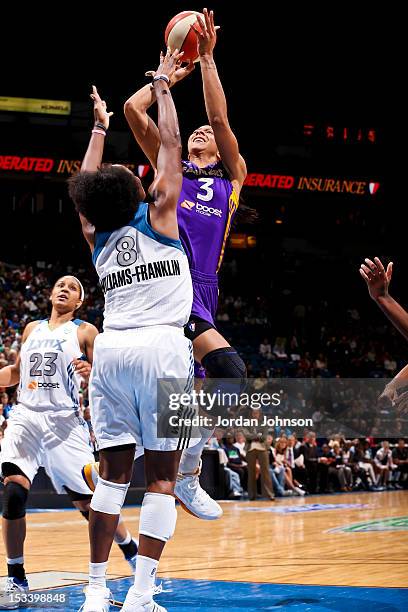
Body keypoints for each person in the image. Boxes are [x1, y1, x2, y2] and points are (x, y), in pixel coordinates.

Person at [69, 50, 195, 612]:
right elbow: (170, 146)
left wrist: (101, 127)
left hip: (113, 348)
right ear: (137, 193)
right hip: (162, 347)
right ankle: (140, 594)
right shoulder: (162, 212)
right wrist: (165, 88)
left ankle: (96, 593)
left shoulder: (95, 236)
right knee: (162, 478)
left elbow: (85, 181)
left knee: (113, 479)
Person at [124, 7, 248, 521]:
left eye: (206, 133)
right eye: (192, 130)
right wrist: (162, 80)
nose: (200, 132)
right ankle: (184, 467)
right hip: (165, 283)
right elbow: (133, 112)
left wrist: (210, 60)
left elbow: (219, 118)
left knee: (212, 383)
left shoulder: (231, 177)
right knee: (228, 368)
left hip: (204, 288)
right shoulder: (170, 162)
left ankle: (178, 465)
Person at [0, 276, 137, 609]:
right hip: (26, 418)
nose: (64, 289)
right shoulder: (31, 328)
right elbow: (17, 372)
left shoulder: (87, 331)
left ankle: (130, 548)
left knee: (92, 509)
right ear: (49, 294)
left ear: (79, 302)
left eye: (72, 287)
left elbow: (112, 375)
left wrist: (94, 372)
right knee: (14, 493)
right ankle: (16, 578)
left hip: (65, 425)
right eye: (59, 285)